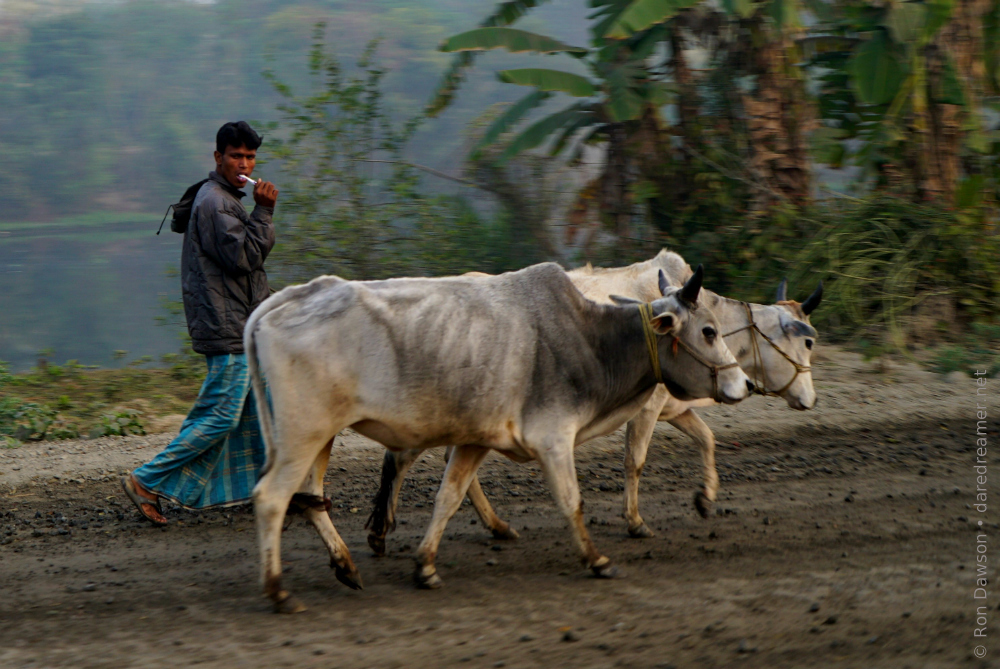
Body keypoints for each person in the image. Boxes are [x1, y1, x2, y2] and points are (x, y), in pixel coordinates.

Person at [122, 121, 279, 524]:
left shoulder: (226, 198)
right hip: (226, 327)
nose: (243, 163)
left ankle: (278, 487)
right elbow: (243, 259)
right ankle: (145, 480)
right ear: (218, 158)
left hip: (243, 324)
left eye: (250, 157)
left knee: (261, 410)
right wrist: (264, 211)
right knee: (221, 415)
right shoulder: (216, 203)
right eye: (235, 156)